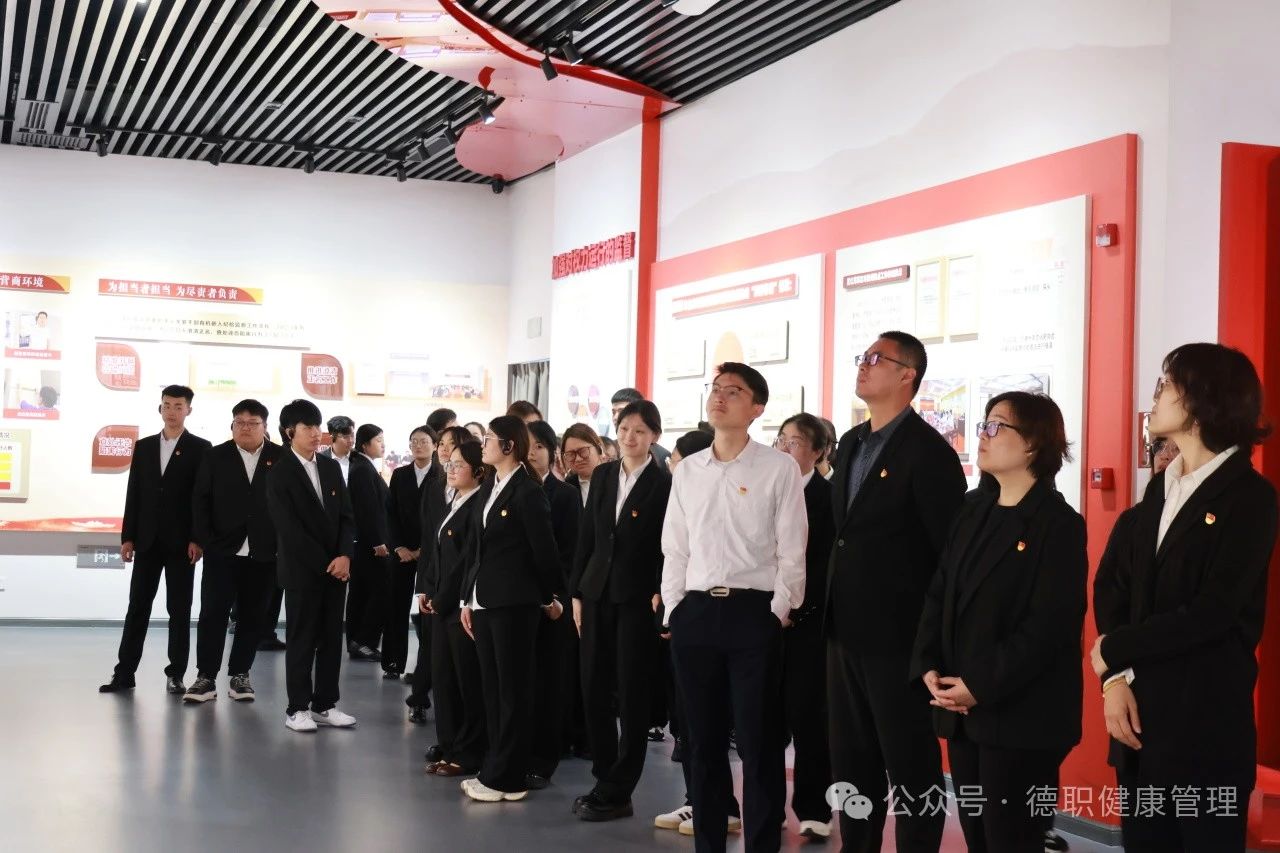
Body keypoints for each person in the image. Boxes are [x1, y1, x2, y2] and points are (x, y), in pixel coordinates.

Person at [1093, 343, 1277, 852]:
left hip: (1203, 730)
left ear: (1202, 399)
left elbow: (1211, 612)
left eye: (1167, 384)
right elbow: (1114, 590)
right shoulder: (1160, 489)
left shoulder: (1250, 498)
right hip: (1138, 724)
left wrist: (1113, 650)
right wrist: (1114, 680)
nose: (1156, 396)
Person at [911, 392, 1087, 851]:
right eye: (983, 425)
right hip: (963, 711)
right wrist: (928, 663)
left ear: (1033, 444)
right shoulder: (973, 509)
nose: (983, 436)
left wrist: (980, 684)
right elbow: (939, 591)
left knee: (1012, 840)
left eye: (996, 426)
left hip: (1022, 716)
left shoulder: (1058, 524)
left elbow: (1049, 627)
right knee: (979, 839)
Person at [826, 331, 967, 853]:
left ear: (908, 375)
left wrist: (932, 643)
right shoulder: (851, 443)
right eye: (862, 357)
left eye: (876, 359)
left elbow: (946, 557)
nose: (863, 366)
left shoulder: (929, 453)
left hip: (900, 639)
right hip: (843, 632)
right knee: (852, 763)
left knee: (910, 767)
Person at [661, 362, 807, 853]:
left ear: (757, 408)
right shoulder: (688, 471)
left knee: (758, 742)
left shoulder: (778, 468)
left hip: (753, 615)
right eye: (716, 389)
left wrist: (779, 610)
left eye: (734, 391)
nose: (720, 397)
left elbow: (792, 549)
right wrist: (675, 607)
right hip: (696, 614)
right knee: (701, 745)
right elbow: (675, 547)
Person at [570, 400, 672, 821]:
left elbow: (669, 543)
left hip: (637, 597)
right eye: (625, 428)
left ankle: (620, 787)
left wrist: (661, 590)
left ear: (654, 437)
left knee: (632, 692)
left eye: (640, 431)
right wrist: (577, 592)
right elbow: (588, 536)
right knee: (593, 684)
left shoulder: (664, 483)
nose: (630, 437)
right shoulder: (604, 474)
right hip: (595, 592)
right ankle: (603, 775)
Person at [458, 416, 564, 803]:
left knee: (513, 693)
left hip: (515, 604)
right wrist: (467, 599)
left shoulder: (528, 491)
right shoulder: (491, 485)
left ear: (509, 446)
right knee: (493, 690)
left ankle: (509, 777)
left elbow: (545, 552)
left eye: (489, 438)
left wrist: (550, 597)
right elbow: (476, 549)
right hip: (485, 601)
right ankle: (495, 768)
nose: (483, 444)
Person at [99, 385, 212, 695]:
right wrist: (128, 537)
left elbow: (201, 499)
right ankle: (124, 673)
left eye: (178, 406)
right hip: (147, 541)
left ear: (189, 410)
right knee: (137, 607)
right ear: (160, 408)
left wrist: (198, 539)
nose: (171, 411)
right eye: (167, 405)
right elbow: (134, 493)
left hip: (182, 544)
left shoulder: (201, 448)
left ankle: (176, 674)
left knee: (179, 610)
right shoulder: (145, 446)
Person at [268, 399, 357, 733]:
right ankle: (297, 708)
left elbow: (347, 517)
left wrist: (345, 555)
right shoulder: (280, 472)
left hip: (337, 569)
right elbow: (289, 529)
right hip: (302, 571)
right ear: (290, 431)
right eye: (308, 427)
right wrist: (328, 563)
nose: (316, 433)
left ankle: (324, 704)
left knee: (332, 639)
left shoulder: (331, 467)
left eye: (318, 426)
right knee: (302, 639)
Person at [185, 399, 282, 703]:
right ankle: (205, 677)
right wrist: (204, 539)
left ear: (264, 427)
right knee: (212, 614)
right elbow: (200, 500)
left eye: (252, 423)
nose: (245, 428)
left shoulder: (281, 458)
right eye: (239, 422)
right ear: (232, 426)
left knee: (253, 616)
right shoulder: (215, 456)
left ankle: (240, 675)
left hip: (264, 552)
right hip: (222, 551)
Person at [772, 413, 837, 840]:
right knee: (764, 719)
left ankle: (815, 808)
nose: (783, 448)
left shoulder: (830, 498)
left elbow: (826, 564)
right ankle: (767, 804)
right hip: (764, 620)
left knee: (810, 718)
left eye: (794, 442)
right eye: (780, 440)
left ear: (818, 452)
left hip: (808, 624)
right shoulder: (767, 488)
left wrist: (798, 607)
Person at [419, 438, 489, 777]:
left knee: (466, 683)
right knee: (444, 680)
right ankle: (448, 747)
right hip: (440, 605)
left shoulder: (478, 505)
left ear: (479, 471)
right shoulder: (455, 502)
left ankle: (469, 752)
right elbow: (437, 553)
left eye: (459, 464)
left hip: (461, 606)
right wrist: (428, 589)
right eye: (450, 463)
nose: (451, 469)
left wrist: (443, 597)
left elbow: (466, 562)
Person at [526, 420, 584, 784]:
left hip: (551, 602)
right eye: (526, 445)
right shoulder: (509, 490)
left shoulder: (564, 495)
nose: (532, 452)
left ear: (552, 453)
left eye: (539, 446)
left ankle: (543, 760)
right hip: (514, 601)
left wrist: (552, 596)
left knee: (548, 682)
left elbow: (569, 554)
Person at [409, 426, 471, 725]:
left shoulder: (476, 489)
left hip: (459, 584)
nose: (445, 449)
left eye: (452, 444)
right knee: (428, 644)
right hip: (433, 578)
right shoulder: (434, 486)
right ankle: (418, 699)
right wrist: (422, 586)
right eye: (442, 443)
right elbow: (427, 540)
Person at [384, 425, 441, 680]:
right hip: (402, 552)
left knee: (428, 610)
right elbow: (390, 513)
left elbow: (441, 517)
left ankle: (426, 669)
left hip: (431, 552)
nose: (418, 445)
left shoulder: (442, 475)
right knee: (395, 605)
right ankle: (393, 662)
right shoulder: (400, 475)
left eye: (424, 441)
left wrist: (423, 550)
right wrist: (399, 547)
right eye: (414, 441)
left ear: (435, 446)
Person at [345, 424, 391, 663]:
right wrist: (378, 541)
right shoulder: (362, 468)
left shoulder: (363, 466)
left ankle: (357, 641)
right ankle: (364, 641)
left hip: (365, 544)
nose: (383, 444)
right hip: (370, 545)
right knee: (377, 592)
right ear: (365, 444)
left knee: (362, 592)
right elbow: (367, 509)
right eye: (378, 440)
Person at [610, 387, 672, 467]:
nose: (616, 417)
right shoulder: (609, 448)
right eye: (613, 412)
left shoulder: (662, 456)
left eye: (622, 411)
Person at [562, 423, 604, 506]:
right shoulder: (565, 488)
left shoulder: (617, 479)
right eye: (571, 454)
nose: (578, 459)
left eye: (583, 451)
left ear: (599, 448)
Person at [321, 415, 356, 485]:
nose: (350, 440)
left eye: (352, 435)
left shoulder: (360, 458)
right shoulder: (321, 459)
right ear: (332, 437)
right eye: (345, 437)